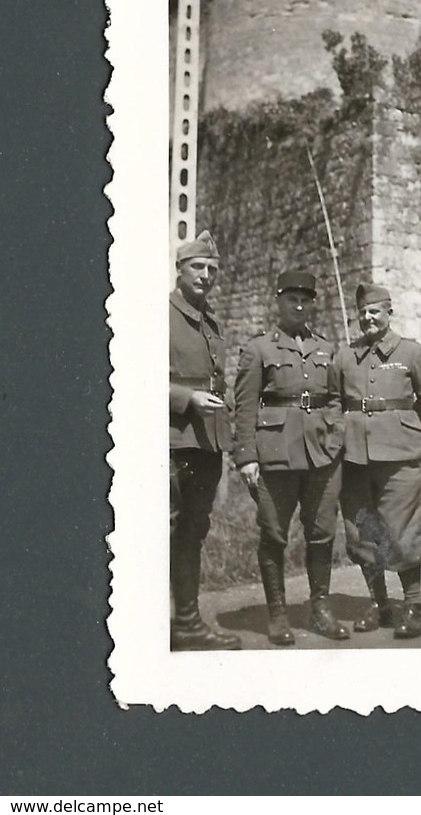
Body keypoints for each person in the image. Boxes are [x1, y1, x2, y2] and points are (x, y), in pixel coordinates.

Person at [233, 270, 348, 645]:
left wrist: (336, 436)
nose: (299, 305)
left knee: (322, 533)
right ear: (278, 302)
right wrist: (246, 457)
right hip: (275, 454)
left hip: (322, 454)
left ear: (313, 303)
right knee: (273, 533)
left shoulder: (326, 348)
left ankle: (321, 609)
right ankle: (278, 613)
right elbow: (246, 406)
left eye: (306, 299)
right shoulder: (258, 349)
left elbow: (335, 398)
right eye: (291, 299)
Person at [333, 283, 421, 639]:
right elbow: (334, 401)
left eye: (375, 311)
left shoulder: (412, 353)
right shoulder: (345, 356)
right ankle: (379, 603)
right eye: (362, 312)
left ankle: (414, 603)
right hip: (355, 458)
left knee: (402, 530)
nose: (367, 317)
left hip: (400, 456)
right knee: (361, 531)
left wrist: (409, 437)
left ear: (390, 312)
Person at [169, 230, 241, 651]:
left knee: (194, 529)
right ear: (180, 270)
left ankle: (187, 622)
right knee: (170, 527)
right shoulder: (161, 313)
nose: (206, 275)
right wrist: (186, 398)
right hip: (175, 438)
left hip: (207, 440)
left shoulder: (211, 318)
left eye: (212, 269)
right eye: (198, 267)